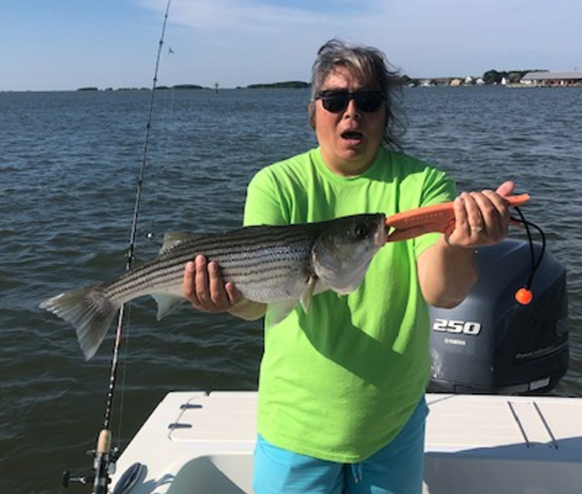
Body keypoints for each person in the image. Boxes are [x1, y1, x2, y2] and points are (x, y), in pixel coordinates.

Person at [183, 39, 513, 494]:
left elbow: (443, 293)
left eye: (369, 101)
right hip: (296, 421)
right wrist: (222, 301)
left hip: (392, 422)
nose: (351, 113)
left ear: (385, 113)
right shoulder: (276, 185)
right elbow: (260, 304)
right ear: (314, 111)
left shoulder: (423, 182)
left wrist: (460, 245)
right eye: (335, 100)